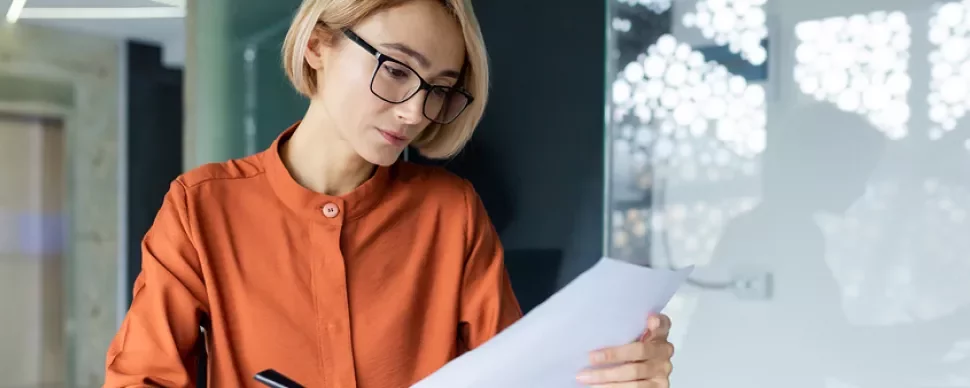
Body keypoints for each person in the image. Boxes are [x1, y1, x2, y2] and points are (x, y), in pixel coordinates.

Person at [103, 0, 676, 387]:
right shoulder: (202, 207)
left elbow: (516, 376)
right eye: (398, 70)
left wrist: (617, 373)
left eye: (439, 90)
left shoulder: (451, 214)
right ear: (319, 44)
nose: (413, 112)